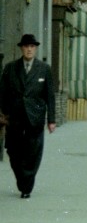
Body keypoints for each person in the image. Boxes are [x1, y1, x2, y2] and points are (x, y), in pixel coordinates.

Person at [0, 34, 57, 198]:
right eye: (26, 46)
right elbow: (2, 93)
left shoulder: (44, 68)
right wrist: (2, 113)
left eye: (32, 46)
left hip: (35, 118)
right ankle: (22, 178)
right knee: (13, 152)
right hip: (14, 118)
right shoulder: (10, 68)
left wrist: (51, 120)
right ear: (21, 48)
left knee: (33, 153)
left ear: (36, 48)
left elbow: (49, 96)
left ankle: (27, 186)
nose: (29, 49)